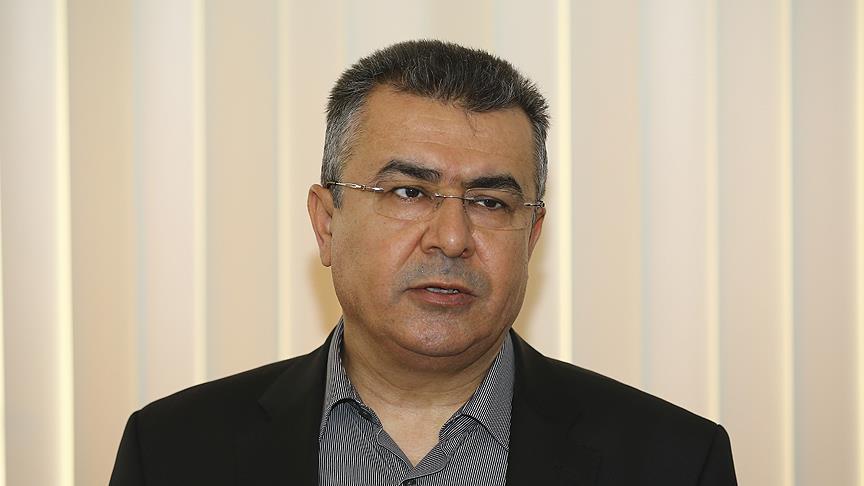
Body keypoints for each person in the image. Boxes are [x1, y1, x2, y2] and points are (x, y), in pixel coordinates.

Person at [109, 40, 737, 486]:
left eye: (490, 202)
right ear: (326, 223)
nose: (453, 238)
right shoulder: (172, 453)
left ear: (531, 236)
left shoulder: (676, 462)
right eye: (409, 192)